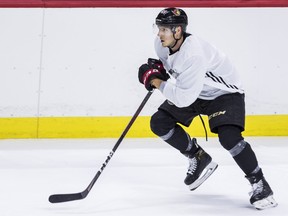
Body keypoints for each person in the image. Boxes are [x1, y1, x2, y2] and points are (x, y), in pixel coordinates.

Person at [138, 7, 277, 210]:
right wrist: (158, 69)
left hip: (224, 94)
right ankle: (197, 156)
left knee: (229, 138)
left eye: (165, 29)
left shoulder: (194, 54)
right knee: (159, 122)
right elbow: (174, 70)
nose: (159, 33)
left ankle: (260, 184)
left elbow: (184, 98)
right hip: (196, 90)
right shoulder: (161, 45)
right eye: (158, 28)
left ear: (178, 31)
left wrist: (156, 81)